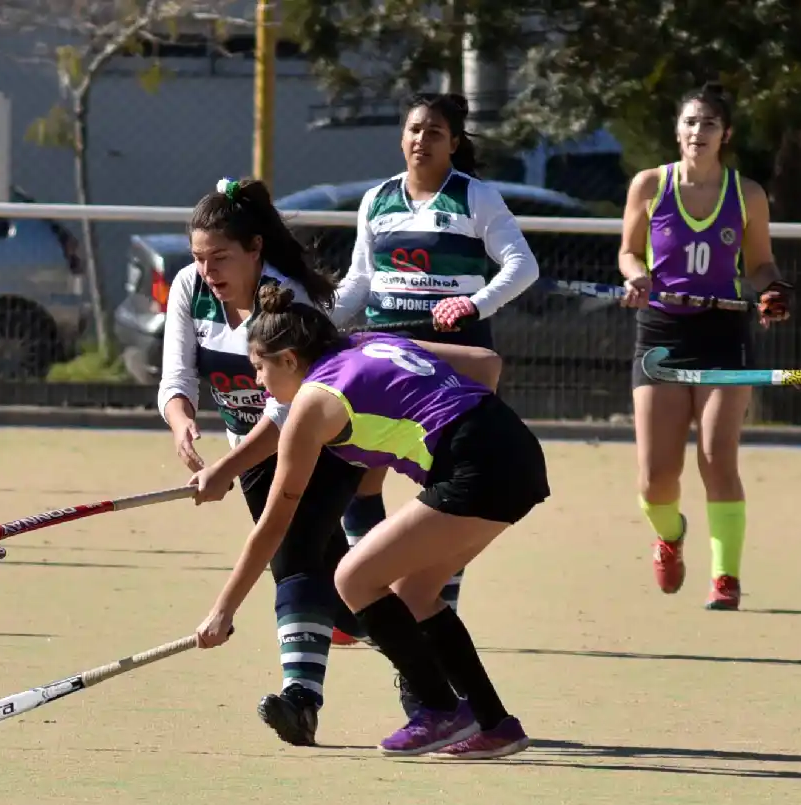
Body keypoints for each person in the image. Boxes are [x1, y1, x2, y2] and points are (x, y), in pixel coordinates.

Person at [193, 283, 549, 760]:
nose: (257, 382)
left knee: (353, 577)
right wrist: (450, 422)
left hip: (475, 468)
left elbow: (276, 526)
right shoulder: (367, 343)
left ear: (290, 359)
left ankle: (441, 709)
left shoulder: (312, 404)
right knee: (415, 594)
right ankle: (496, 724)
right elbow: (486, 363)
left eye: (259, 367)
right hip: (516, 449)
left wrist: (223, 610)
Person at [157, 176, 370, 747]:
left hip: (324, 442)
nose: (208, 271)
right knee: (344, 590)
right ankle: (423, 648)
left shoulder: (288, 302)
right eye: (200, 258)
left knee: (292, 555)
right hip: (250, 454)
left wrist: (226, 469)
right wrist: (183, 428)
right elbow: (176, 378)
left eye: (221, 257)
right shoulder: (188, 287)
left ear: (255, 251)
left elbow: (286, 409)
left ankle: (301, 701)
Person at [327, 92, 539, 656]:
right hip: (386, 357)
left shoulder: (475, 197)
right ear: (402, 137)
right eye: (415, 129)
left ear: (454, 142)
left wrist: (475, 305)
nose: (423, 140)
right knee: (358, 473)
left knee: (449, 489)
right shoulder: (376, 199)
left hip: (455, 357)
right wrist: (318, 319)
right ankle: (372, 601)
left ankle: (433, 606)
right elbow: (360, 281)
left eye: (436, 132)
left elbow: (522, 265)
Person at [618, 81, 793, 611]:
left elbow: (761, 265)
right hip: (662, 335)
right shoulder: (650, 186)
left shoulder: (748, 195)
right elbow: (629, 254)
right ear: (677, 131)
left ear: (726, 134)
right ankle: (670, 536)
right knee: (656, 478)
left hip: (723, 335)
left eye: (710, 124)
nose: (699, 132)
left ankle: (725, 576)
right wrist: (638, 277)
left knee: (718, 457)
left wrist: (773, 292)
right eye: (691, 122)